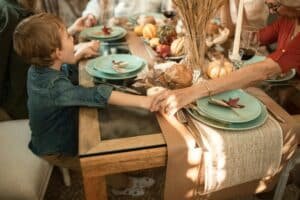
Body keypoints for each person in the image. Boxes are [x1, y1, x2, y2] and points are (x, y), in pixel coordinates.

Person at [13, 12, 156, 196]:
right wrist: (145, 102)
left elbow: (63, 67)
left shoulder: (37, 69)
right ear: (56, 52)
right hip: (58, 147)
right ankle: (124, 185)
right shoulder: (55, 88)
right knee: (102, 161)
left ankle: (124, 176)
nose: (72, 37)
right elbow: (95, 94)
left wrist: (78, 53)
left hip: (56, 130)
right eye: (68, 35)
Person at [150, 0, 300, 116]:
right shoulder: (288, 20)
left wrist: (193, 92)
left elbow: (264, 70)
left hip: (294, 102)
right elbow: (246, 37)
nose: (273, 11)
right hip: (282, 90)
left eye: (274, 6)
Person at [0, 0, 98, 120]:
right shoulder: (8, 14)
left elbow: (40, 48)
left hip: (37, 100)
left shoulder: (19, 10)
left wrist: (70, 33)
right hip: (24, 108)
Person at [81, 0, 162, 26]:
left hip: (152, 34)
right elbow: (97, 3)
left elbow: (168, 7)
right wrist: (91, 15)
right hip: (122, 36)